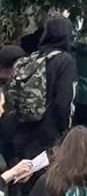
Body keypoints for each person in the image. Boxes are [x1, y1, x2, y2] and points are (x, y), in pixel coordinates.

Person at [3, 15, 77, 169]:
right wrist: (64, 130)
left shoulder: (34, 57)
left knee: (18, 175)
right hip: (47, 133)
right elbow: (63, 101)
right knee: (43, 181)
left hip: (22, 127)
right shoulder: (65, 61)